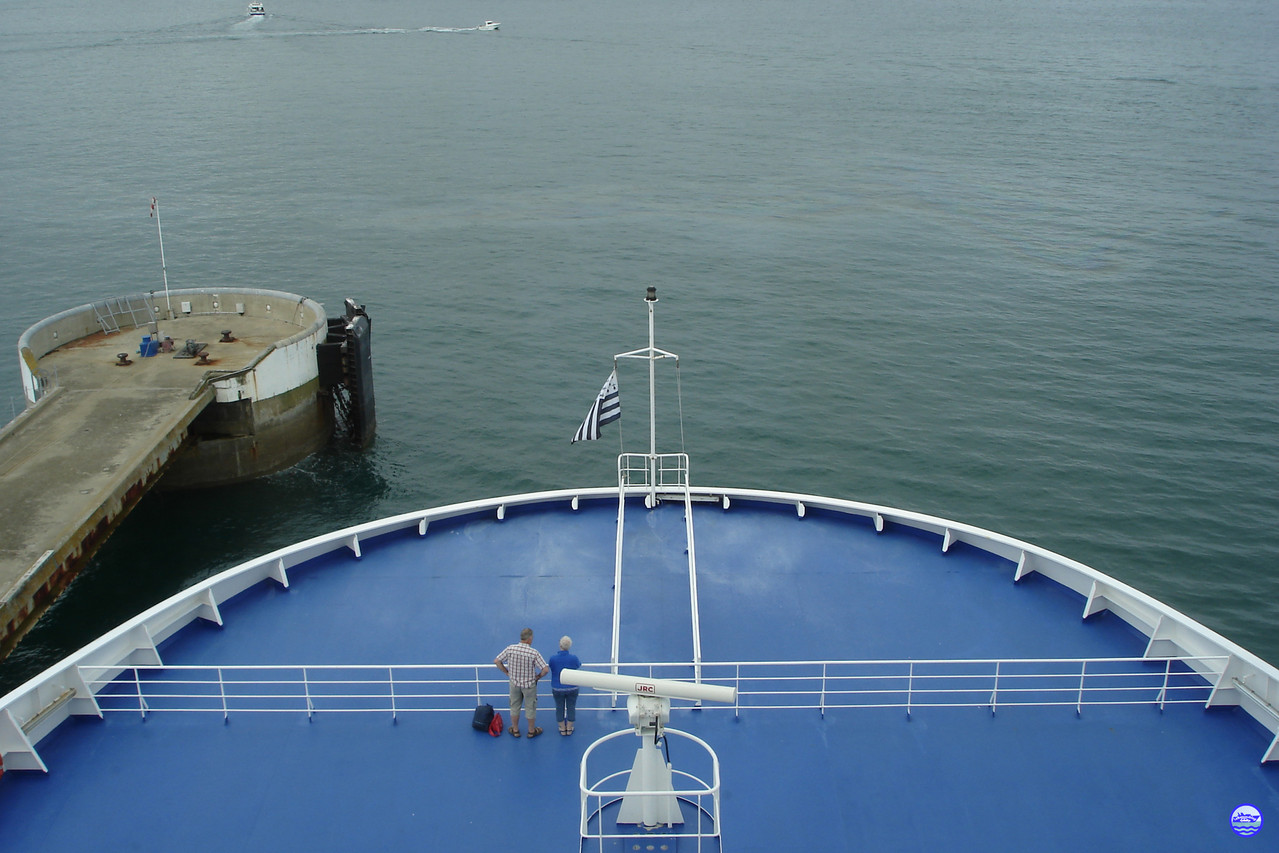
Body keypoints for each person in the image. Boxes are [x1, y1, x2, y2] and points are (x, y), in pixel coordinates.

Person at [494, 627, 548, 738]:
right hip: (529, 685)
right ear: (529, 639)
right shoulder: (533, 653)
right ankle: (531, 731)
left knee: (514, 707)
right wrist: (538, 677)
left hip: (514, 683)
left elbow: (497, 661)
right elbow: (545, 669)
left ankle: (515, 730)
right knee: (530, 708)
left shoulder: (510, 649)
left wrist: (507, 672)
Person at [548, 635, 582, 736]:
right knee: (571, 707)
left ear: (560, 645)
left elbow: (551, 666)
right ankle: (569, 727)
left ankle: (562, 728)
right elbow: (578, 665)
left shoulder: (553, 658)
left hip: (557, 687)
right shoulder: (573, 658)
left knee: (559, 707)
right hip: (572, 687)